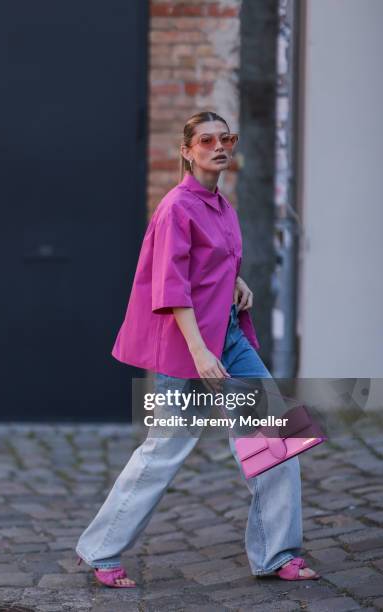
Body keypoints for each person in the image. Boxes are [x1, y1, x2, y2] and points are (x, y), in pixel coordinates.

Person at [75, 111, 320, 587]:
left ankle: (277, 553)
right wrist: (200, 354)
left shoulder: (219, 203)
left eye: (224, 138)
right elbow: (170, 288)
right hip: (191, 347)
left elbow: (211, 263)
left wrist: (237, 281)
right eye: (206, 140)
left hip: (230, 338)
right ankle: (101, 551)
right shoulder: (176, 207)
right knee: (165, 448)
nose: (218, 147)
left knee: (276, 438)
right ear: (187, 151)